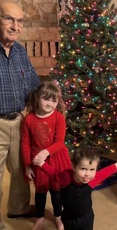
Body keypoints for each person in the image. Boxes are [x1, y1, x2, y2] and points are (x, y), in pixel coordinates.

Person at [0, 0, 40, 229]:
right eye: (9, 19)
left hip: (18, 120)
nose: (15, 26)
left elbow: (34, 85)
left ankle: (18, 208)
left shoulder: (19, 52)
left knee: (20, 170)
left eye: (20, 21)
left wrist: (53, 96)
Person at [34, 146, 117, 230]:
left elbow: (104, 172)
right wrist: (41, 163)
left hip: (86, 219)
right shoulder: (66, 177)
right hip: (68, 219)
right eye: (83, 169)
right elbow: (53, 173)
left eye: (92, 169)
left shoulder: (93, 179)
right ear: (74, 167)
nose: (87, 174)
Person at [21, 81, 72, 230]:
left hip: (55, 158)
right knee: (40, 191)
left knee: (56, 192)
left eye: (53, 100)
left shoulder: (58, 117)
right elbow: (25, 143)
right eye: (46, 98)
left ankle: (58, 217)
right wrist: (27, 165)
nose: (50, 103)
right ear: (37, 98)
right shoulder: (29, 119)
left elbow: (59, 142)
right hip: (37, 161)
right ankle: (39, 218)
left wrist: (46, 152)